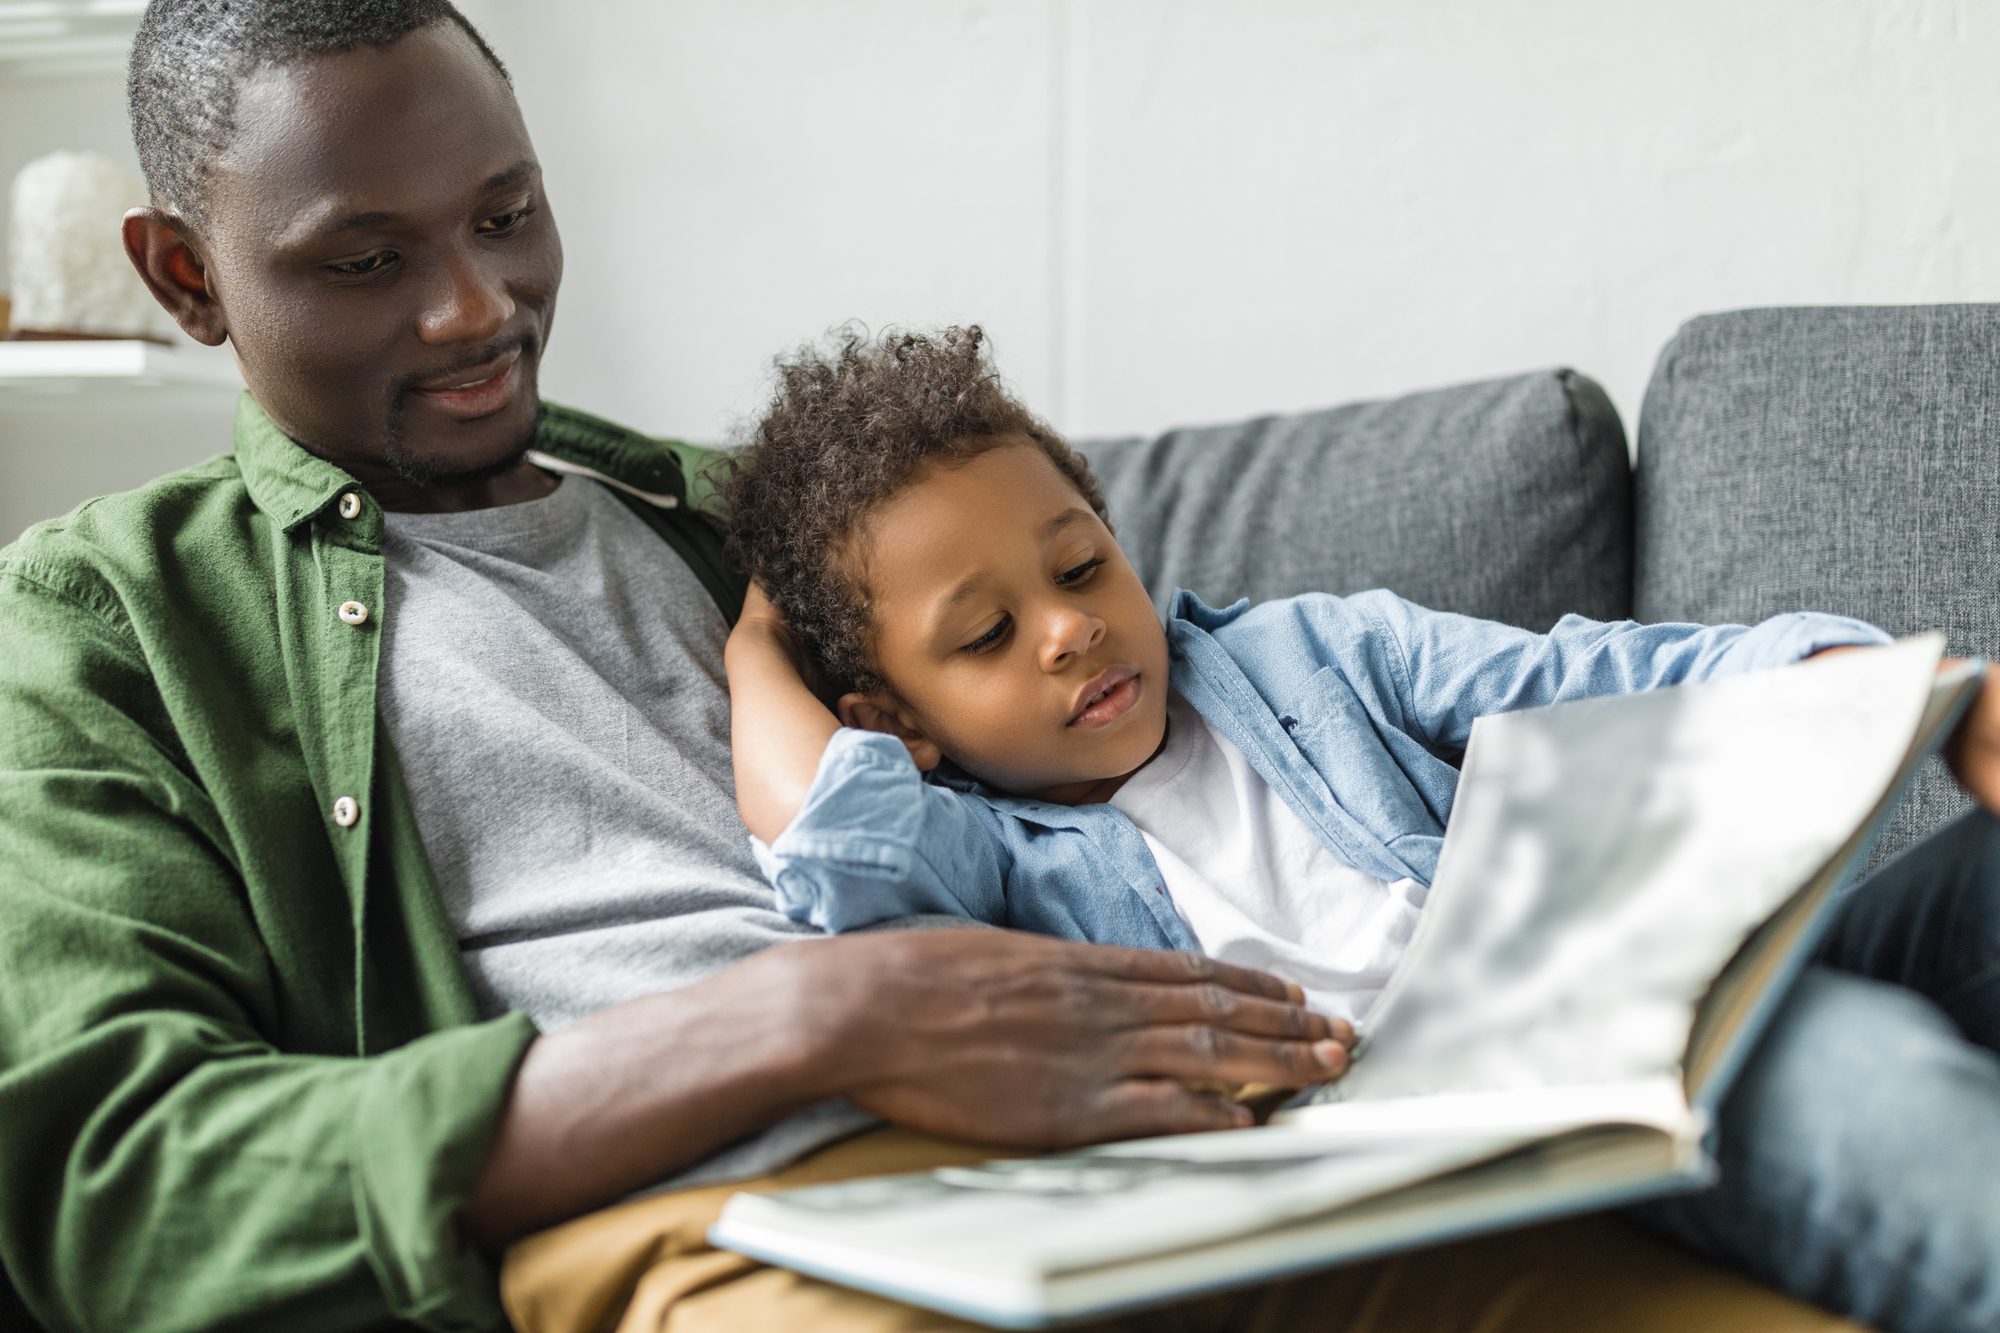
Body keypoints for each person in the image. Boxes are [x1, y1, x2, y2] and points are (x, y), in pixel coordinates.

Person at [0, 6, 1353, 1330]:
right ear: (186, 276)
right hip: (720, 1222)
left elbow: (1165, 714)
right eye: (365, 261)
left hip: (1141, 1153)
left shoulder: (761, 520)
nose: (476, 307)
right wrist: (811, 1020)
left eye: (504, 215)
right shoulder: (105, 621)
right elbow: (115, 1184)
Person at [720, 324, 2000, 1332]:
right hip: (1505, 1115)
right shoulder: (986, 855)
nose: (1069, 628)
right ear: (898, 719)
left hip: (1652, 977)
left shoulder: (1311, 655)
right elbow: (839, 849)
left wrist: (1891, 685)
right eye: (988, 635)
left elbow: (1587, 676)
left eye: (1077, 567)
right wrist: (753, 639)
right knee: (1854, 1072)